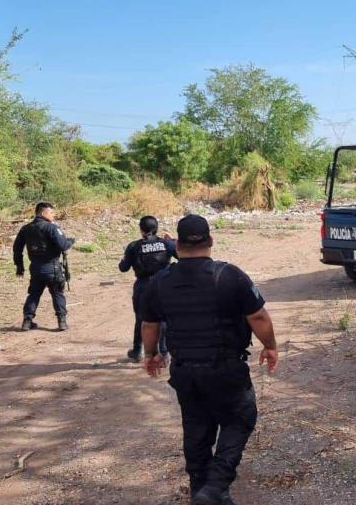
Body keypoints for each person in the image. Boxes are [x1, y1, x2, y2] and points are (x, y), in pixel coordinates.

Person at [140, 214, 279, 505]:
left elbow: (149, 325)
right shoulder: (229, 275)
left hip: (185, 371)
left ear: (177, 244)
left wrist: (151, 354)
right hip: (225, 369)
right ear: (211, 241)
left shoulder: (159, 282)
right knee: (241, 417)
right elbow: (258, 315)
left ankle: (200, 491)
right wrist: (270, 346)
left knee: (196, 427)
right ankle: (215, 486)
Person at [118, 215, 177, 362]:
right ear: (156, 229)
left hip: (143, 287)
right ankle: (164, 353)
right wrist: (173, 241)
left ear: (141, 230)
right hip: (164, 285)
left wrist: (125, 255)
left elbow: (123, 268)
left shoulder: (134, 246)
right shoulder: (166, 244)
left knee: (141, 319)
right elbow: (182, 255)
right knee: (163, 319)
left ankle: (137, 351)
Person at [13, 202, 75, 332]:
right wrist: (70, 241)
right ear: (42, 213)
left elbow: (17, 248)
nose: (53, 215)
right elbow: (63, 245)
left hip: (35, 269)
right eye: (51, 213)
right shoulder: (51, 228)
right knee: (57, 293)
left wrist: (19, 267)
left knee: (34, 295)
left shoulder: (26, 228)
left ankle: (27, 321)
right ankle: (62, 321)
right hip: (52, 268)